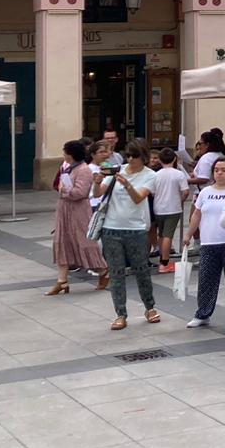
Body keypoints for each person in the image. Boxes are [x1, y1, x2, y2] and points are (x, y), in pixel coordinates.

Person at [94, 142, 161, 331]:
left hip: (136, 229)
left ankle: (150, 307)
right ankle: (120, 314)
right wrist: (97, 182)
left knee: (141, 270)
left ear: (144, 157)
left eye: (135, 156)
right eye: (128, 155)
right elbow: (98, 193)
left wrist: (128, 185)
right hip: (111, 228)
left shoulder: (150, 175)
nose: (130, 159)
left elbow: (139, 197)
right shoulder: (117, 170)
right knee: (116, 273)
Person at [183, 156, 225, 331]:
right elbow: (197, 214)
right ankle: (202, 314)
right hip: (208, 243)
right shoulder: (205, 192)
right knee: (206, 280)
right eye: (216, 170)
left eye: (223, 170)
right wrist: (189, 234)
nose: (219, 173)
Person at [47, 140, 106, 295]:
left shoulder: (84, 170)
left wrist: (65, 191)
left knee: (84, 241)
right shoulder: (66, 167)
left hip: (78, 210)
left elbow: (80, 193)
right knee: (62, 241)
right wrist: (62, 189)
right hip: (64, 209)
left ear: (71, 154)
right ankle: (62, 281)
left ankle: (103, 271)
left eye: (65, 151)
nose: (63, 154)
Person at [151, 148, 190, 274]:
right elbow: (185, 191)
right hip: (173, 208)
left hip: (158, 208)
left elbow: (152, 192)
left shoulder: (156, 175)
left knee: (161, 234)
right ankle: (164, 263)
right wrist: (181, 200)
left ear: (160, 160)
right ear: (174, 159)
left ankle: (162, 257)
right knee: (168, 235)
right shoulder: (179, 174)